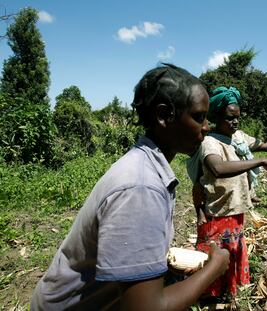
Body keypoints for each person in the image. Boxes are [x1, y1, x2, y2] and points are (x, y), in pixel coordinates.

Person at [31, 64, 230, 311]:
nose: (207, 125)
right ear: (163, 115)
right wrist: (214, 268)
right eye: (199, 116)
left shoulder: (144, 165)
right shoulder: (141, 188)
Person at [187, 86, 267, 303]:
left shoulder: (239, 138)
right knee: (216, 254)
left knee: (232, 250)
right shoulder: (209, 143)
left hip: (234, 206)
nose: (235, 122)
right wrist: (261, 161)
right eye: (229, 118)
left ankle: (228, 291)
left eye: (238, 118)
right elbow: (218, 168)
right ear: (217, 117)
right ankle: (208, 295)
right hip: (216, 209)